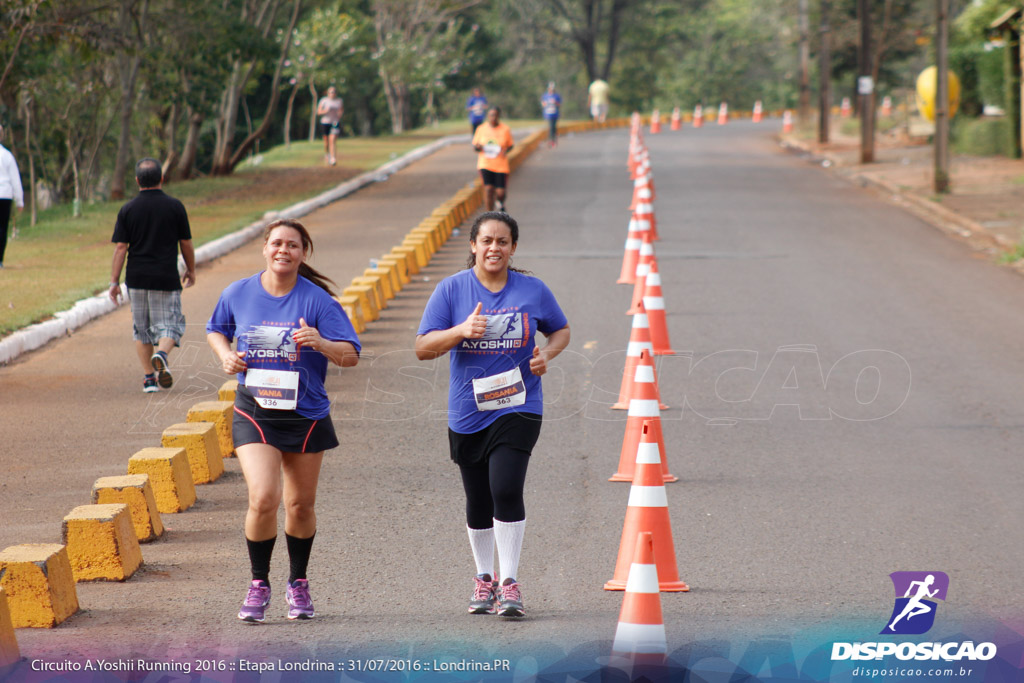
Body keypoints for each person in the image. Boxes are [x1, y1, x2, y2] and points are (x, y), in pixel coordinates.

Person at [415, 212, 570, 618]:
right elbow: (423, 347)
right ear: (473, 245)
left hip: (519, 405)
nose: (494, 248)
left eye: (503, 241)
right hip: (468, 410)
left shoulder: (532, 290)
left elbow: (560, 330)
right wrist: (460, 331)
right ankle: (484, 577)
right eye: (487, 240)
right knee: (478, 497)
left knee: (505, 488)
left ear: (513, 247)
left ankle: (509, 582)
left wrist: (545, 355)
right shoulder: (451, 290)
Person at [206, 218, 360, 623]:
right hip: (254, 410)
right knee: (263, 497)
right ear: (265, 248)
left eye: (292, 245)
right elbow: (215, 331)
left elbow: (350, 355)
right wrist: (225, 355)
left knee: (299, 504)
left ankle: (298, 583)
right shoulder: (239, 293)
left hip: (305, 413)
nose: (283, 251)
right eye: (277, 243)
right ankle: (259, 585)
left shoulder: (318, 302)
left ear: (303, 253)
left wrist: (321, 343)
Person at [109, 158, 196, 393]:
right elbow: (185, 243)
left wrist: (114, 282)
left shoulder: (127, 209)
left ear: (137, 181)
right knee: (171, 325)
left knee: (142, 329)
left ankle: (149, 379)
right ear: (162, 179)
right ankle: (162, 354)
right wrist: (191, 268)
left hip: (136, 278)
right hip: (166, 277)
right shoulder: (175, 206)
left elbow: (120, 248)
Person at [472, 107, 514, 213]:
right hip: (485, 164)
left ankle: (500, 202)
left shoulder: (505, 129)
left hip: (501, 165)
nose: (493, 117)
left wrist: (506, 150)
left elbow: (510, 145)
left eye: (495, 115)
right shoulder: (481, 129)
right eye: (491, 115)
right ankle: (489, 214)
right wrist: (478, 147)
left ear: (499, 116)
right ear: (488, 116)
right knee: (488, 189)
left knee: (500, 192)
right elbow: (475, 147)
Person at [0, 124, 24, 269]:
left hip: (4, 194)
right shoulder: (7, 155)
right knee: (2, 228)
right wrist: (19, 200)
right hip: (5, 195)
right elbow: (15, 179)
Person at [317, 86, 344, 166]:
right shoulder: (324, 101)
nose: (333, 93)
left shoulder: (339, 101)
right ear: (328, 93)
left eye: (334, 92)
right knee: (326, 141)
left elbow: (341, 110)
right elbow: (319, 112)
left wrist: (339, 114)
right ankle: (327, 154)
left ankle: (333, 158)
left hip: (335, 122)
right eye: (331, 92)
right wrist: (326, 111)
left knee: (333, 139)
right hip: (325, 122)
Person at [540, 82, 562, 147]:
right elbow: (543, 104)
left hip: (555, 114)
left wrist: (555, 102)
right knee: (550, 127)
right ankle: (551, 140)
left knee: (554, 127)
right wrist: (546, 103)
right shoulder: (545, 96)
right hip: (548, 114)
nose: (551, 90)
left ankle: (554, 139)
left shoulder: (557, 96)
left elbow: (559, 104)